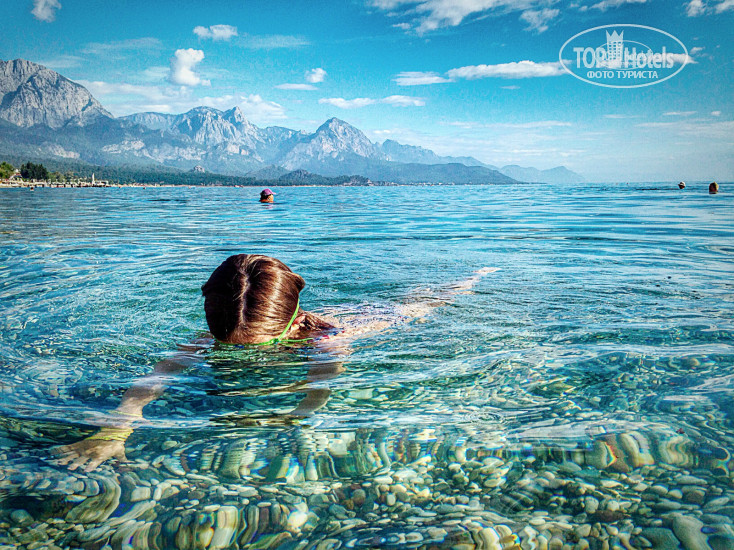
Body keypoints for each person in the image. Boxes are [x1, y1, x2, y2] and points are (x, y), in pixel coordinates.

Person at [54, 254, 497, 471]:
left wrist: (288, 421)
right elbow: (153, 379)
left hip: (381, 321)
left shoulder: (326, 344)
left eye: (255, 346)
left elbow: (317, 394)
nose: (241, 352)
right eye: (229, 343)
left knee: (426, 302)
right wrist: (118, 425)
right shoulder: (217, 329)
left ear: (291, 324)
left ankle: (475, 276)